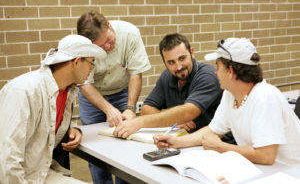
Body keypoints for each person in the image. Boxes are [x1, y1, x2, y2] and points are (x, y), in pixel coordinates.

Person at [154, 37, 300, 166]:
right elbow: (213, 130)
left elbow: (266, 156)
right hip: (262, 171)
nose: (215, 72)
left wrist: (221, 147)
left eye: (218, 67)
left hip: (289, 174)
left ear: (231, 71)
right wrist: (178, 142)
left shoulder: (265, 96)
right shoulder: (230, 94)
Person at [0, 34, 106, 183]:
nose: (92, 69)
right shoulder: (24, 91)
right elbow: (6, 161)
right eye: (91, 63)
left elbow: (46, 122)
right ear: (76, 62)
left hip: (40, 173)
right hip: (16, 177)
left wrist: (71, 129)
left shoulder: (67, 91)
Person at [114, 33, 235, 143]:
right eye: (171, 62)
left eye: (182, 58)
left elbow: (189, 112)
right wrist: (175, 120)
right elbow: (146, 109)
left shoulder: (208, 76)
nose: (178, 67)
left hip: (217, 143)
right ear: (164, 61)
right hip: (183, 139)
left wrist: (139, 122)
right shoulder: (167, 76)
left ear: (192, 53)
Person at [76, 11, 151, 184]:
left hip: (121, 91)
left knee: (125, 143)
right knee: (95, 148)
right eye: (101, 47)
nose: (108, 47)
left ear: (109, 25)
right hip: (92, 96)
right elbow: (85, 84)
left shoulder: (130, 33)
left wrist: (130, 108)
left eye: (109, 40)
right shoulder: (81, 46)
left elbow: (135, 73)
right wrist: (108, 109)